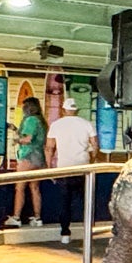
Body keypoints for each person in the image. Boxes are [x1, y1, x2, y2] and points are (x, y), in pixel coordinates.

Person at [45, 98, 97, 244]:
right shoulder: (86, 124)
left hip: (64, 168)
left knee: (65, 203)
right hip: (83, 167)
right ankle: (88, 231)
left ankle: (65, 233)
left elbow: (49, 148)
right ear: (77, 110)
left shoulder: (56, 125)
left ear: (63, 110)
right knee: (86, 202)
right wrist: (91, 160)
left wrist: (49, 168)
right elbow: (95, 145)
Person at [5, 98, 47, 228]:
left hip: (28, 157)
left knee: (20, 188)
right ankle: (37, 218)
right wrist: (14, 128)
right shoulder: (41, 121)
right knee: (35, 188)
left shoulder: (30, 120)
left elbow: (28, 139)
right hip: (39, 158)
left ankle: (16, 217)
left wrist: (16, 140)